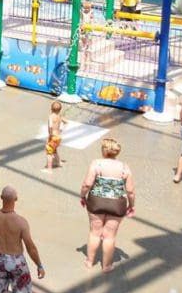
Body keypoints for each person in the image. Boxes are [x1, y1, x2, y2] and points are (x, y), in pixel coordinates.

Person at [80, 138, 136, 273]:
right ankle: (106, 266)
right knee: (109, 236)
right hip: (117, 204)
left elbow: (87, 184)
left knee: (95, 233)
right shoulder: (124, 167)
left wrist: (82, 196)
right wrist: (131, 205)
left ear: (103, 151)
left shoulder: (96, 164)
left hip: (96, 202)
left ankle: (89, 262)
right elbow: (130, 191)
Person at [44, 101, 67, 172]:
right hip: (58, 136)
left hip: (53, 136)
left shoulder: (51, 116)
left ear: (51, 109)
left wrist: (50, 135)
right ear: (60, 110)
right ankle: (58, 162)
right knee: (54, 150)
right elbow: (66, 122)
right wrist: (60, 130)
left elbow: (50, 126)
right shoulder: (59, 116)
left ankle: (49, 169)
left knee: (49, 153)